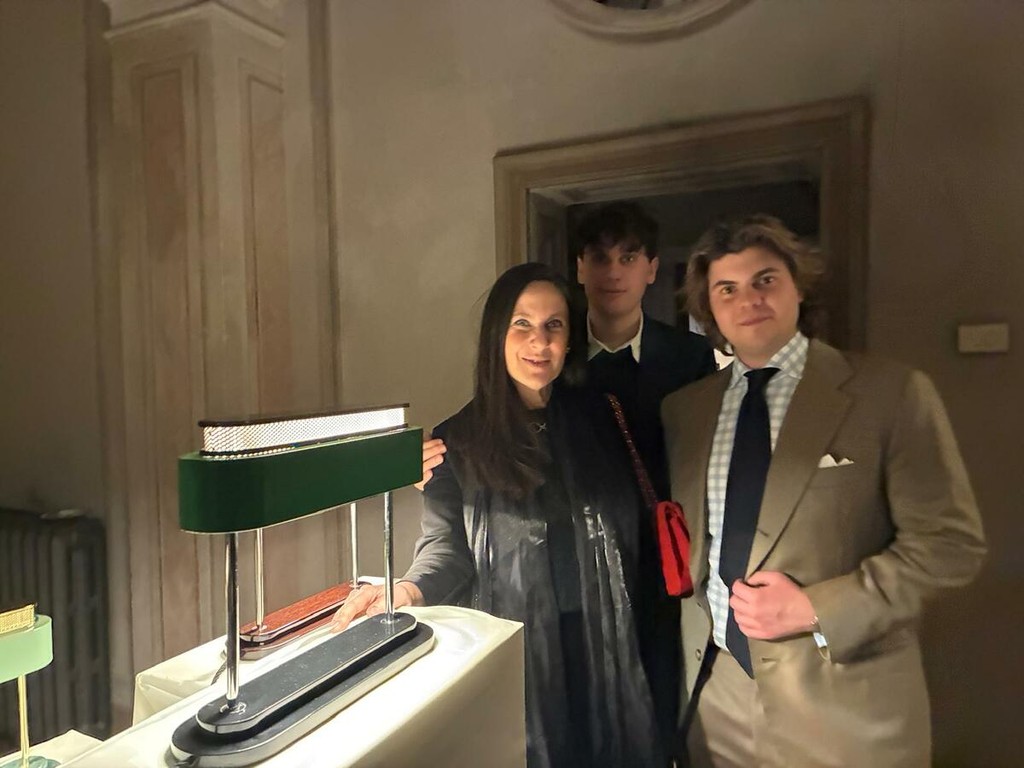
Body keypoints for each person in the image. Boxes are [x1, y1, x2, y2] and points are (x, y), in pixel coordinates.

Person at [661, 215, 987, 767]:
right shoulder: (683, 412)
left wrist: (815, 608)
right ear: (709, 308)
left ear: (798, 286)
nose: (749, 300)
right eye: (727, 288)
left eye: (765, 280)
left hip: (842, 708)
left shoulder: (891, 394)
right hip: (715, 702)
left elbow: (950, 545)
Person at [331, 262, 664, 768]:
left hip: (611, 642)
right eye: (521, 324)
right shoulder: (459, 442)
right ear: (496, 336)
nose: (539, 341)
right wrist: (407, 590)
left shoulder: (608, 417)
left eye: (554, 325)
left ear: (570, 339)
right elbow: (447, 549)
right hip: (523, 653)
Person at [575, 201, 715, 754]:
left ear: (652, 268)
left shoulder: (690, 356)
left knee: (663, 700)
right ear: (580, 267)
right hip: (577, 562)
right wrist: (438, 452)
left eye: (629, 257)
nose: (613, 271)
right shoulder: (553, 353)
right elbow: (501, 410)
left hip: (666, 560)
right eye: (599, 257)